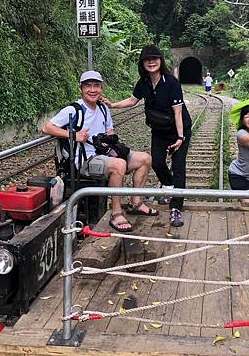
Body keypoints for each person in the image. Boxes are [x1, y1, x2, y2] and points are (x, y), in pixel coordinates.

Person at [42, 70, 156, 233]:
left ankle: (136, 203)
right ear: (81, 89)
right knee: (119, 165)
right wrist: (74, 135)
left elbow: (109, 132)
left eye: (96, 86)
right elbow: (46, 127)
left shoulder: (103, 108)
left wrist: (109, 141)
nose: (93, 89)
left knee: (145, 159)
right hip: (84, 161)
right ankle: (116, 213)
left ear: (101, 88)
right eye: (88, 86)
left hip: (103, 154)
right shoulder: (74, 110)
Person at [105, 45, 192, 227]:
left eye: (154, 58)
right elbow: (132, 100)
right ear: (142, 64)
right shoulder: (143, 82)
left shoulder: (171, 82)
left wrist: (180, 138)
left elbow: (178, 112)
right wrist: (112, 105)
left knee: (179, 167)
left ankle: (176, 208)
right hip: (159, 130)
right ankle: (169, 189)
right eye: (147, 60)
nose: (151, 62)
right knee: (158, 162)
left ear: (161, 61)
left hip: (178, 130)